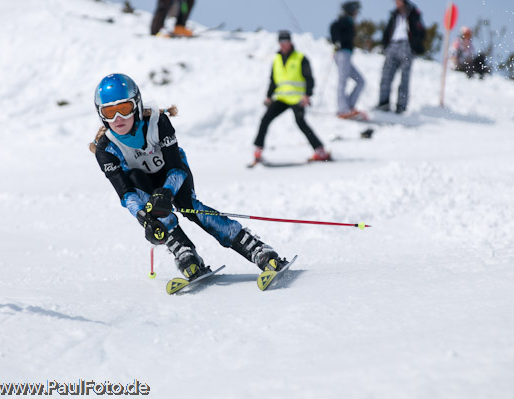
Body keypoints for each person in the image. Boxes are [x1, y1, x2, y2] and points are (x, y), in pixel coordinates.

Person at [90, 73, 289, 281]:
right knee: (146, 200)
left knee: (189, 206)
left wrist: (167, 192)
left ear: (137, 105)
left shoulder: (158, 123)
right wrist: (145, 219)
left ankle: (255, 248)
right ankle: (184, 251)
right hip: (144, 184)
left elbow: (176, 167)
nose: (118, 118)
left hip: (173, 175)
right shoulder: (106, 148)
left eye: (123, 109)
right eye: (109, 112)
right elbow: (125, 193)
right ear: (101, 114)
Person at [253, 30, 331, 164]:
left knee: (301, 123)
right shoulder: (276, 59)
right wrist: (268, 96)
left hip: (297, 98)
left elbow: (309, 79)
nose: (284, 44)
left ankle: (320, 150)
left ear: (291, 42)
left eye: (286, 41)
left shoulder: (300, 58)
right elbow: (273, 80)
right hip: (282, 98)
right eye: (281, 42)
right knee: (265, 119)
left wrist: (307, 95)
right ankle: (258, 150)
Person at [376, 0, 426, 114]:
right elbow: (387, 31)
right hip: (393, 45)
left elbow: (420, 31)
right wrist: (385, 45)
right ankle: (383, 103)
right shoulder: (394, 15)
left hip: (406, 46)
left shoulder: (414, 14)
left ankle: (401, 106)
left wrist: (414, 46)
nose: (396, 3)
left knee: (405, 78)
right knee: (386, 75)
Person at [330, 1, 366, 120]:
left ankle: (349, 106)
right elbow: (333, 27)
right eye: (356, 11)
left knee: (361, 81)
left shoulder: (349, 22)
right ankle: (343, 109)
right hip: (342, 55)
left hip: (347, 55)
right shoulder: (344, 21)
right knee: (343, 81)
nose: (357, 13)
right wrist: (336, 41)